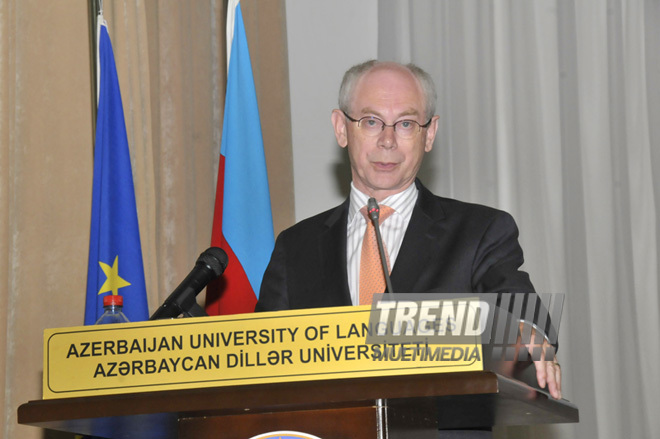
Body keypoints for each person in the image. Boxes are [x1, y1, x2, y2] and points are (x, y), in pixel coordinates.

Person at [256, 61, 561, 405]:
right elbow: (263, 362)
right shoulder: (296, 246)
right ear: (341, 129)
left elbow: (522, 311)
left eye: (405, 124)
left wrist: (524, 332)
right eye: (371, 122)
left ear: (429, 134)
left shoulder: (479, 231)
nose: (387, 141)